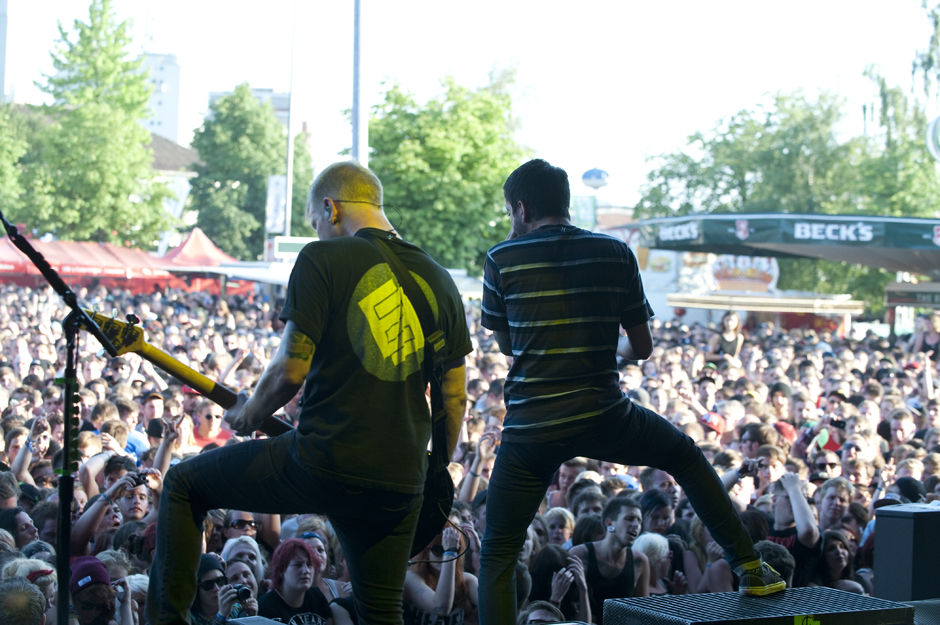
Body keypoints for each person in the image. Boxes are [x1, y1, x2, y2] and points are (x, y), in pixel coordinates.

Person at [148, 161, 472, 625]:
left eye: (315, 222)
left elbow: (290, 368)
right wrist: (434, 469)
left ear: (331, 208)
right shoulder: (440, 279)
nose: (317, 232)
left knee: (183, 485)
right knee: (381, 612)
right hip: (401, 482)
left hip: (325, 461)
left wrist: (247, 414)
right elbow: (454, 397)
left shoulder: (322, 259)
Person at [478, 159, 783, 625]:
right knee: (684, 456)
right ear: (565, 203)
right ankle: (749, 566)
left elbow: (508, 345)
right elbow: (641, 348)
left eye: (509, 212)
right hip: (604, 414)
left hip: (531, 427)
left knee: (498, 554)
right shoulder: (616, 252)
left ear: (521, 208)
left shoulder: (501, 259)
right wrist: (602, 343)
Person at [569, 497, 647, 624]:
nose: (636, 525)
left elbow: (643, 614)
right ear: (609, 523)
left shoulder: (640, 560)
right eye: (629, 518)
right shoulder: (580, 554)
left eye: (639, 520)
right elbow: (568, 606)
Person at [403, 524, 478, 624]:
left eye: (455, 549)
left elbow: (491, 602)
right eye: (438, 550)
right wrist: (450, 552)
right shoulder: (411, 578)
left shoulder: (466, 580)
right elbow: (441, 608)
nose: (444, 556)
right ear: (426, 551)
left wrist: (479, 551)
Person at [258, 539, 329, 625]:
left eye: (309, 565)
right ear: (281, 570)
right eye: (298, 565)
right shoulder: (266, 607)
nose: (306, 570)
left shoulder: (317, 596)